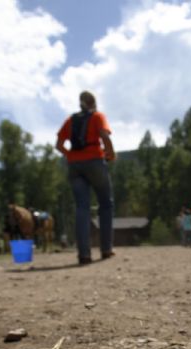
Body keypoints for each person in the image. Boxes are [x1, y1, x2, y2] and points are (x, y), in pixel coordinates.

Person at [56, 91, 116, 265]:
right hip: (95, 162)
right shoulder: (98, 116)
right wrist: (110, 154)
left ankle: (84, 255)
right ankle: (106, 249)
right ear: (94, 103)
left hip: (75, 166)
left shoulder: (70, 120)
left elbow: (59, 145)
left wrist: (70, 155)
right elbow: (104, 136)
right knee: (105, 204)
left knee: (82, 207)